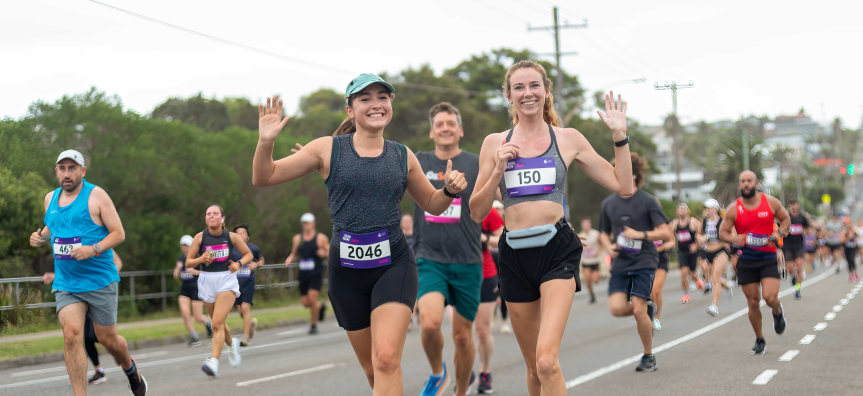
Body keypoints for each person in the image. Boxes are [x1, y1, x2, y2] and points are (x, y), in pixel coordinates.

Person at [253, 73, 467, 395]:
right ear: (350, 110)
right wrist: (265, 141)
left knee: (385, 359)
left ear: (390, 104)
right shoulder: (328, 149)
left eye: (382, 97)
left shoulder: (401, 155)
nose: (375, 104)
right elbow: (264, 176)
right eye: (365, 98)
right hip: (347, 274)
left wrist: (448, 190)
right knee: (372, 370)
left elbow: (433, 205)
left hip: (393, 266)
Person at [469, 59, 633, 396]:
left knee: (546, 362)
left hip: (556, 251)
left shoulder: (568, 138)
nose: (527, 93)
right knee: (532, 369)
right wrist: (498, 169)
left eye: (534, 86)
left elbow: (624, 185)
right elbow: (476, 211)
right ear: (509, 95)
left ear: (546, 91)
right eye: (519, 87)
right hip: (513, 254)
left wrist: (620, 137)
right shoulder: (493, 143)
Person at [30, 150, 147, 395]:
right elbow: (53, 225)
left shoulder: (97, 196)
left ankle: (130, 368)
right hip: (67, 282)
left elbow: (118, 233)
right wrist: (40, 236)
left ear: (82, 171)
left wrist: (92, 249)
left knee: (108, 339)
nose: (67, 173)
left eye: (72, 168)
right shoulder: (49, 198)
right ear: (56, 172)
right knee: (71, 335)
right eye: (62, 168)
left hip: (99, 280)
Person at [411, 102, 483, 396]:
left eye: (450, 123)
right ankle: (438, 373)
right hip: (429, 257)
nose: (445, 128)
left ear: (460, 130)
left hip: (467, 259)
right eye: (439, 124)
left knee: (463, 337)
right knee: (429, 325)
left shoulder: (477, 163)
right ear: (431, 131)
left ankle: (461, 391)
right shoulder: (418, 161)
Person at [599, 152, 671, 372]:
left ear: (634, 174)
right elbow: (603, 233)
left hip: (645, 260)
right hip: (621, 262)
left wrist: (639, 235)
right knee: (617, 308)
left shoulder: (647, 201)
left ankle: (648, 355)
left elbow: (666, 233)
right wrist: (608, 246)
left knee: (638, 308)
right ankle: (645, 312)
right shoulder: (608, 204)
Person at [718, 171, 790, 355]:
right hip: (746, 260)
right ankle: (759, 339)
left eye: (749, 181)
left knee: (770, 297)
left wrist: (779, 234)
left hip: (767, 259)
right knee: (752, 302)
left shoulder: (771, 202)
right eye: (742, 181)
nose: (746, 184)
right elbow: (723, 233)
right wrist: (737, 238)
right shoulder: (734, 209)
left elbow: (785, 219)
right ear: (739, 186)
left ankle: (777, 311)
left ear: (756, 183)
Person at [185, 204, 252, 378]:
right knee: (218, 322)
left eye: (215, 213)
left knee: (215, 323)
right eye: (208, 213)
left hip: (226, 280)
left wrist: (238, 264)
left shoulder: (231, 236)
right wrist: (201, 258)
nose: (211, 216)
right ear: (205, 218)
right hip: (207, 280)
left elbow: (248, 254)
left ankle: (213, 362)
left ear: (222, 219)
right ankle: (232, 344)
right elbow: (188, 262)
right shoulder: (200, 238)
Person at [43, 252, 124, 386]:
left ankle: (120, 353)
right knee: (86, 337)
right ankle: (99, 371)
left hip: (98, 294)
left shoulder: (98, 236)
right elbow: (74, 273)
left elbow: (118, 263)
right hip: (78, 296)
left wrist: (105, 280)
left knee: (99, 336)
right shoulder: (71, 239)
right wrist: (54, 276)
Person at [285, 213, 330, 335]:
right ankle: (320, 307)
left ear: (313, 224)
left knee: (312, 298)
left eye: (308, 223)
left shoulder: (320, 238)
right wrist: (289, 259)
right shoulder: (298, 239)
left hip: (316, 273)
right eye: (304, 223)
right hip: (303, 274)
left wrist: (324, 253)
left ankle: (314, 325)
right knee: (306, 303)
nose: (306, 225)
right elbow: (294, 254)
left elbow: (330, 253)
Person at [476, 206, 504, 394]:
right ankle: (464, 373)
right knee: (459, 333)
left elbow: (502, 239)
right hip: (452, 274)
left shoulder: (486, 209)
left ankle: (485, 372)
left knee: (483, 331)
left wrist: (484, 238)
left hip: (484, 274)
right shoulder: (443, 202)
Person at [173, 235, 213, 347]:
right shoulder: (181, 259)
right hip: (185, 289)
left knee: (198, 317)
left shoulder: (198, 258)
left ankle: (208, 322)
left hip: (197, 287)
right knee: (185, 314)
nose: (184, 248)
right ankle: (194, 337)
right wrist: (177, 269)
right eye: (183, 246)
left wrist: (194, 272)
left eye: (186, 245)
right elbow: (177, 270)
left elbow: (207, 274)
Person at [231, 224, 264, 346]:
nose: (241, 234)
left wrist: (256, 265)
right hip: (235, 283)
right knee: (240, 310)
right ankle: (250, 324)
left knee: (245, 307)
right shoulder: (231, 249)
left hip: (249, 281)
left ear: (247, 237)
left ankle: (246, 338)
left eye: (243, 232)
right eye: (238, 233)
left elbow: (261, 260)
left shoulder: (253, 248)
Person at [699, 199, 733, 317]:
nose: (707, 210)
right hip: (708, 252)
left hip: (720, 251)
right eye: (706, 208)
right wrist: (701, 238)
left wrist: (725, 240)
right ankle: (727, 286)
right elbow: (698, 235)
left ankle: (714, 306)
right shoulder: (703, 222)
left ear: (715, 208)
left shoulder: (723, 222)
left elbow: (732, 235)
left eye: (709, 207)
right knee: (711, 275)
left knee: (715, 278)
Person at [672, 203, 703, 303]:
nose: (681, 210)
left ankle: (697, 279)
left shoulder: (693, 222)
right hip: (681, 251)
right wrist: (674, 243)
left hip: (693, 251)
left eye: (683, 209)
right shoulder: (675, 224)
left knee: (692, 274)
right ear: (676, 212)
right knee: (683, 272)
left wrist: (696, 245)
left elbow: (701, 235)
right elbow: (671, 235)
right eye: (679, 209)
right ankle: (686, 294)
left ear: (687, 211)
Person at [782, 199, 811, 299]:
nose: (793, 207)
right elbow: (780, 228)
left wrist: (807, 232)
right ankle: (793, 276)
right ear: (789, 207)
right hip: (788, 245)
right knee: (790, 268)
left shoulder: (802, 217)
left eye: (795, 205)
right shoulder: (786, 217)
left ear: (798, 205)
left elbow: (807, 228)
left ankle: (798, 289)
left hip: (799, 245)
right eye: (791, 205)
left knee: (799, 267)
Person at [651, 215, 674, 331]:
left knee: (656, 290)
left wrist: (661, 248)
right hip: (646, 260)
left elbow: (672, 242)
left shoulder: (664, 224)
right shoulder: (641, 223)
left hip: (661, 259)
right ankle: (649, 315)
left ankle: (656, 318)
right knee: (649, 293)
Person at [580, 218, 603, 304]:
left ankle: (597, 277)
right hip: (585, 261)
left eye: (587, 225)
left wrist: (599, 251)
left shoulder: (595, 234)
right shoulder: (580, 235)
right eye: (584, 225)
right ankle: (591, 294)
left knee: (595, 280)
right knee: (587, 279)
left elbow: (602, 243)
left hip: (595, 260)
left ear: (590, 225)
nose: (585, 226)